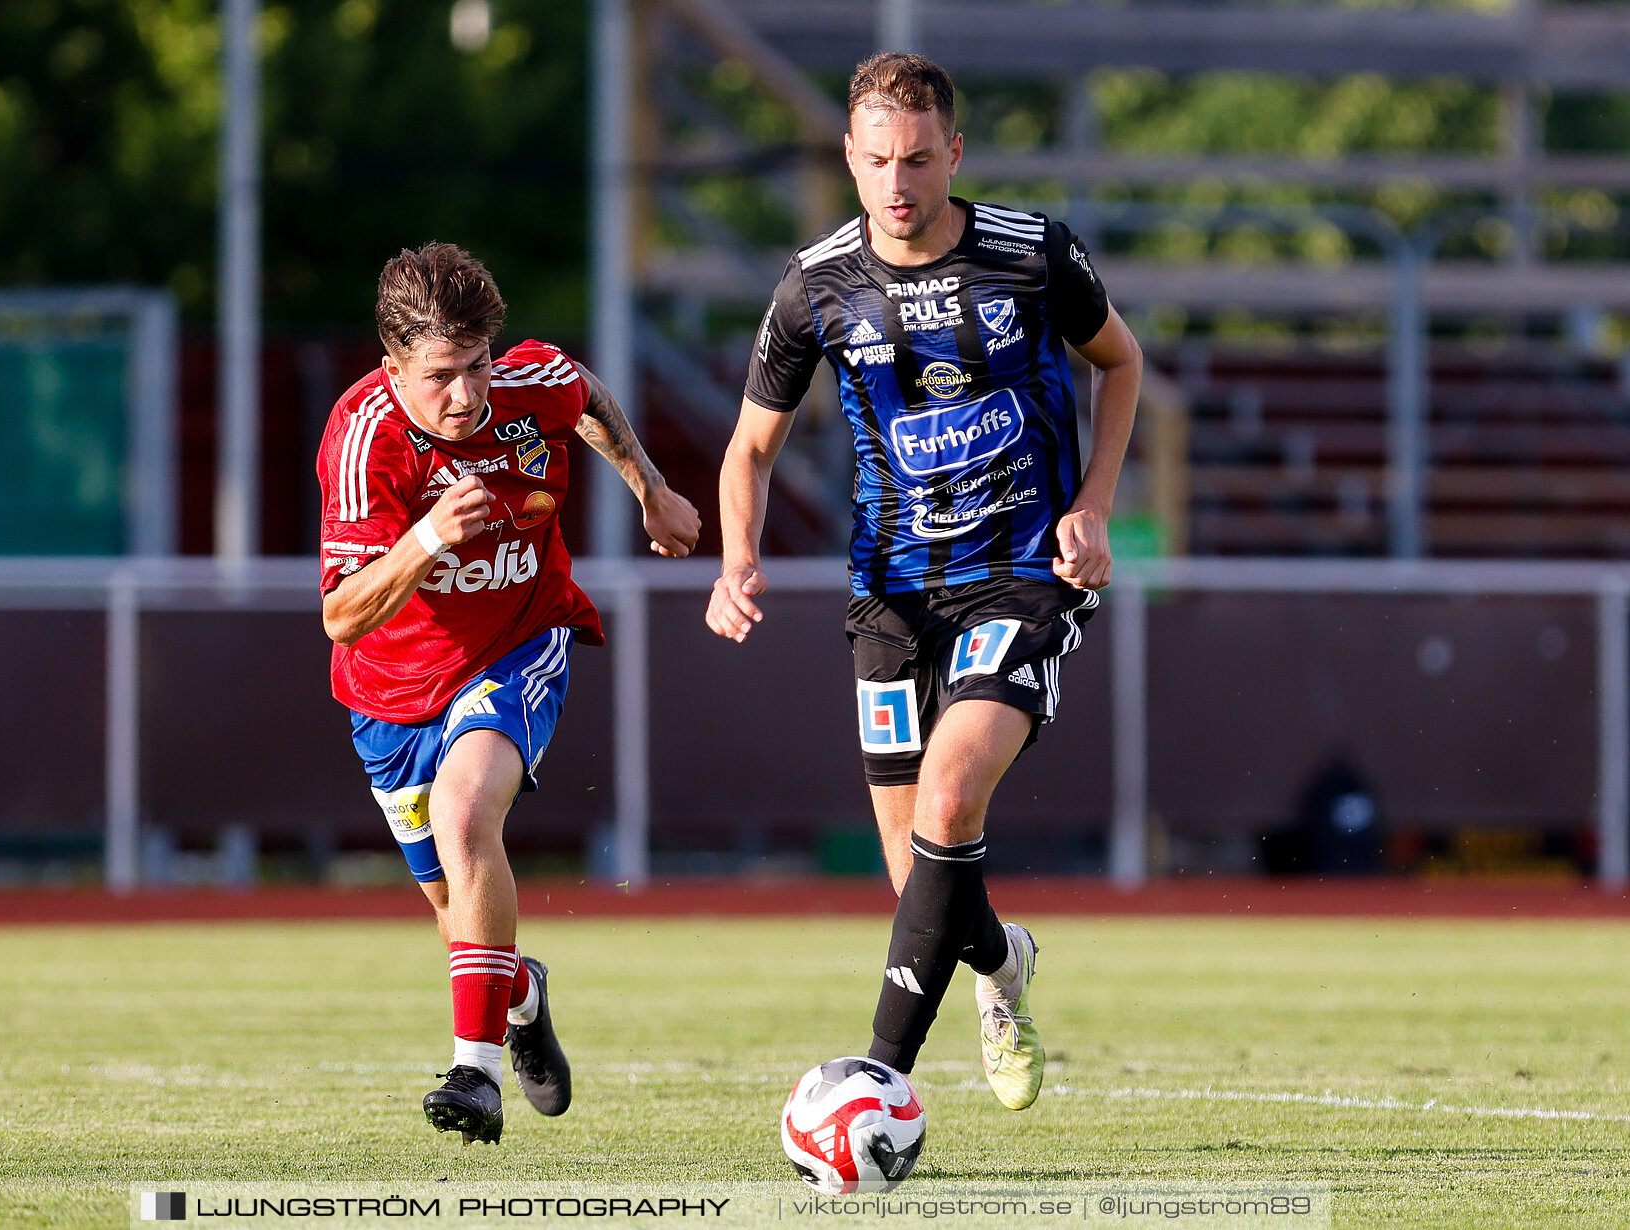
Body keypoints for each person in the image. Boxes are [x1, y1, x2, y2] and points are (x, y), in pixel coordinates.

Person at [707, 52, 1141, 1110]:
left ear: (953, 152)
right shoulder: (817, 284)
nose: (895, 182)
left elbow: (1121, 365)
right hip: (892, 594)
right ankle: (1004, 969)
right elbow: (748, 450)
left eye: (914, 158)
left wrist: (1091, 507)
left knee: (952, 794)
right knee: (918, 876)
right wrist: (739, 556)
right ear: (849, 162)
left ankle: (878, 1079)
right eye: (873, 162)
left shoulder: (1033, 254)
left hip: (1020, 579)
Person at [318, 242, 700, 1144]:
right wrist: (424, 541)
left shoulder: (524, 388)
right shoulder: (362, 439)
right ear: (392, 370)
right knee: (462, 923)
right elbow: (341, 617)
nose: (468, 394)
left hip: (520, 642)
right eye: (441, 376)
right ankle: (519, 994)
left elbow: (587, 395)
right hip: (389, 689)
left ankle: (475, 1073)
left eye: (478, 365)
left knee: (464, 817)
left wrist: (648, 485)